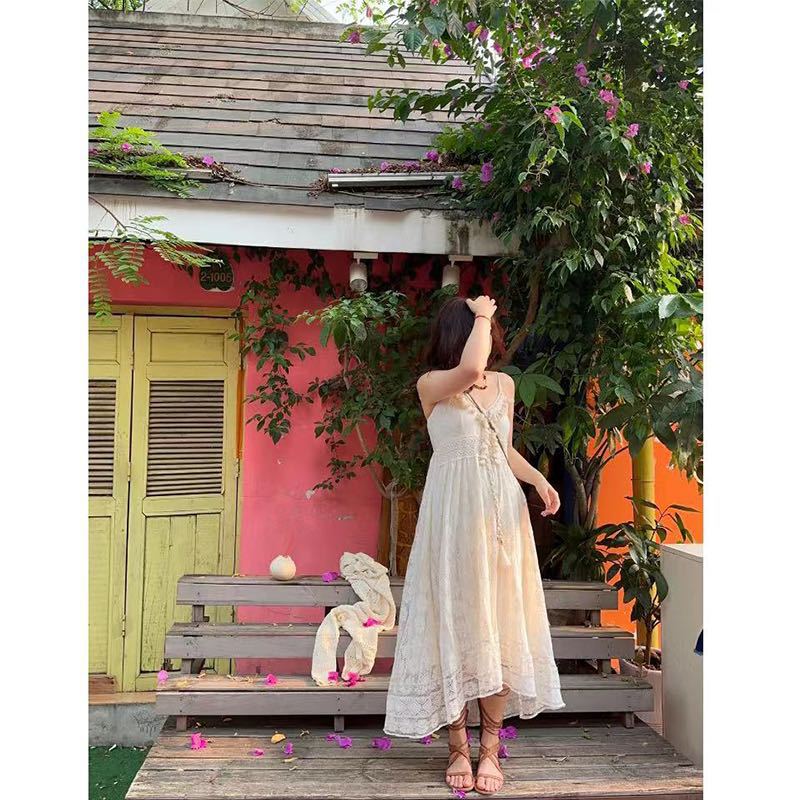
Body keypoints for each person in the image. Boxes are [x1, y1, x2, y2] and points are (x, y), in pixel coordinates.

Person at [383, 295, 565, 795]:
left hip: (500, 517)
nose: (488, 333)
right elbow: (468, 368)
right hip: (453, 521)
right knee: (455, 623)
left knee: (498, 625)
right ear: (464, 334)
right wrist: (484, 311)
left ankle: (489, 749)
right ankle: (457, 748)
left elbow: (501, 448)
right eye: (480, 328)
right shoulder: (432, 385)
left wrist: (537, 481)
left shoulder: (504, 385)